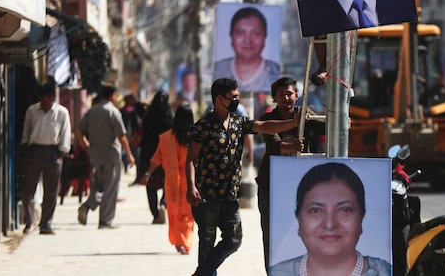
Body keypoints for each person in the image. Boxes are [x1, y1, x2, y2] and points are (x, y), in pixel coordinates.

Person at [186, 78, 305, 276]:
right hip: (206, 195)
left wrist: (292, 123)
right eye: (232, 98)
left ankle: (201, 273)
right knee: (207, 242)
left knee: (234, 239)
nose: (236, 101)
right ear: (219, 99)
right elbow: (191, 160)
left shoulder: (239, 123)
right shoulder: (202, 127)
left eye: (237, 97)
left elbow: (263, 126)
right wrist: (191, 187)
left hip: (230, 195)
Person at [269, 162, 391, 276]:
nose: (330, 224)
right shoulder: (278, 273)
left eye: (344, 209)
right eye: (315, 210)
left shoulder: (384, 272)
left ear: (361, 217)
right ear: (298, 218)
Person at [256, 76, 325, 271]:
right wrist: (292, 145)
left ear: (296, 96)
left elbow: (327, 127)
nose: (286, 99)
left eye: (289, 94)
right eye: (281, 95)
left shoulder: (304, 114)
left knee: (301, 235)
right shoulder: (266, 119)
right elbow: (275, 145)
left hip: (301, 187)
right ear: (274, 99)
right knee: (271, 235)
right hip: (270, 186)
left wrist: (343, 124)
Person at [75, 84, 136, 229]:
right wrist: (129, 154)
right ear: (112, 95)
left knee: (98, 185)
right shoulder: (113, 111)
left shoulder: (92, 110)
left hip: (96, 154)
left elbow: (78, 130)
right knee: (110, 187)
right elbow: (121, 135)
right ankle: (105, 220)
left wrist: (86, 145)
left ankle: (87, 205)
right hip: (111, 154)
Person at [139, 98, 195, 255]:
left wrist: (147, 174)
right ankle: (185, 241)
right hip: (191, 184)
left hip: (171, 184)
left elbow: (157, 158)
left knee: (174, 214)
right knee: (188, 215)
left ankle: (178, 241)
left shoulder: (165, 138)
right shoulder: (195, 138)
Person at [20, 81, 72, 235]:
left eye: (48, 100)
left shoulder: (61, 112)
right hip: (34, 150)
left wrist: (62, 151)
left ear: (52, 98)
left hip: (53, 151)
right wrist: (26, 146)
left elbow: (65, 132)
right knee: (27, 189)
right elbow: (26, 131)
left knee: (51, 190)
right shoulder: (32, 111)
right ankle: (29, 222)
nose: (45, 103)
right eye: (42, 100)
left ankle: (46, 224)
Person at [213, 6, 281, 93]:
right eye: (240, 33)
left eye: (256, 33)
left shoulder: (275, 72)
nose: (248, 40)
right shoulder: (219, 69)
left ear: (265, 37)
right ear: (231, 36)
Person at [138, 90, 174, 224]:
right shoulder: (169, 117)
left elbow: (136, 106)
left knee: (150, 186)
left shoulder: (148, 116)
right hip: (166, 155)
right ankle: (163, 204)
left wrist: (150, 105)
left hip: (147, 155)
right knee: (167, 184)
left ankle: (155, 215)